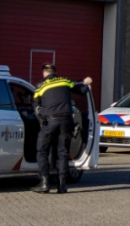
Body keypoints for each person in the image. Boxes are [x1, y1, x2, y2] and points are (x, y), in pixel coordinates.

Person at [31, 64, 93, 194]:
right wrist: (87, 84)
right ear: (55, 72)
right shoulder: (64, 81)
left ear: (44, 73)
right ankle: (62, 186)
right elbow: (81, 91)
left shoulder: (40, 86)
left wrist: (42, 122)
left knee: (42, 151)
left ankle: (44, 183)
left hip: (50, 121)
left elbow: (36, 108)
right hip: (66, 121)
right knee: (63, 153)